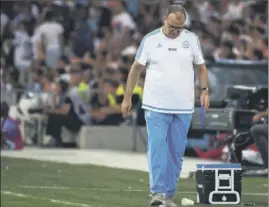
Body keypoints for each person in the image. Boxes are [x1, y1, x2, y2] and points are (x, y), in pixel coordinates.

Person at [121, 5, 209, 207]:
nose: (175, 31)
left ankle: (168, 194)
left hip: (183, 106)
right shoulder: (150, 40)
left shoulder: (191, 39)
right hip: (155, 105)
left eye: (179, 27)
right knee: (157, 148)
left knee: (176, 151)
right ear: (164, 19)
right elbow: (135, 70)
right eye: (172, 26)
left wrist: (204, 90)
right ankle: (158, 193)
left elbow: (201, 67)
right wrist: (127, 98)